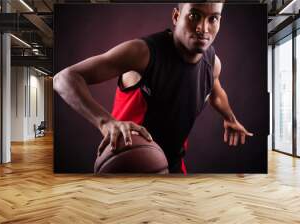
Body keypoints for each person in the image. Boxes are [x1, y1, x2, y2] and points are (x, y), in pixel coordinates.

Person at [53, 2, 253, 174]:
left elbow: (215, 91)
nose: (203, 27)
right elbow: (64, 78)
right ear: (176, 16)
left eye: (213, 19)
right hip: (130, 162)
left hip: (173, 165)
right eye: (194, 15)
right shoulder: (143, 53)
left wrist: (230, 118)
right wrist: (106, 122)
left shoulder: (212, 62)